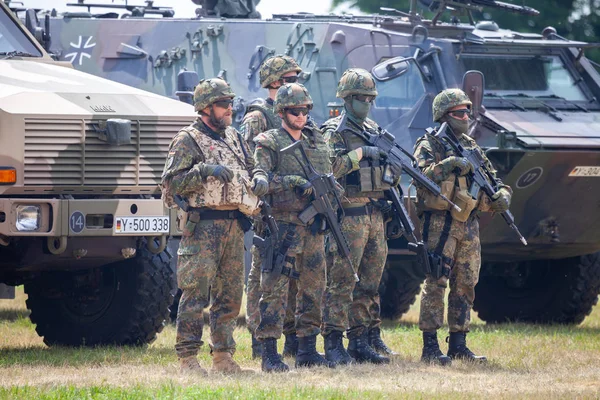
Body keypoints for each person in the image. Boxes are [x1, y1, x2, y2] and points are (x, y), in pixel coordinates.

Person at [161, 77, 269, 374]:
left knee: (231, 295)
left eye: (231, 104)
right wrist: (203, 171)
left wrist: (259, 176)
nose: (229, 109)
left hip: (234, 226)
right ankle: (188, 358)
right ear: (206, 108)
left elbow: (252, 164)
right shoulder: (187, 139)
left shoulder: (233, 137)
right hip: (203, 227)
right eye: (223, 104)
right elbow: (171, 186)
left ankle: (223, 357)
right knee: (195, 294)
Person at [413, 88, 512, 365]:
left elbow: (494, 179)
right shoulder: (429, 144)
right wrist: (449, 164)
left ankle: (458, 343)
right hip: (441, 223)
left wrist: (504, 195)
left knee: (466, 282)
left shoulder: (471, 145)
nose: (466, 117)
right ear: (445, 116)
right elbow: (420, 176)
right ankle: (430, 347)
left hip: (469, 223)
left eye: (468, 111)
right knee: (436, 281)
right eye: (460, 113)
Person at [320, 68, 400, 366]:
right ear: (347, 99)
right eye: (362, 98)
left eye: (371, 98)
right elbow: (328, 169)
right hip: (349, 215)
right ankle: (333, 342)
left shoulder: (373, 129)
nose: (367, 103)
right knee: (342, 281)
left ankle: (361, 338)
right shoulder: (334, 131)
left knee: (370, 281)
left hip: (375, 213)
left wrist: (389, 171)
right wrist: (359, 155)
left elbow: (390, 172)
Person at [253, 82, 333, 372]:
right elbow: (260, 178)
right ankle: (269, 353)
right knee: (274, 290)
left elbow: (329, 173)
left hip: (314, 227)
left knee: (314, 288)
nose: (301, 116)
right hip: (283, 228)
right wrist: (291, 182)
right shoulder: (269, 141)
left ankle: (307, 349)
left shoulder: (317, 140)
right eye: (295, 111)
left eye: (305, 110)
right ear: (282, 111)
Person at [241, 55, 302, 359]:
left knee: (293, 274)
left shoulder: (298, 111)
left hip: (295, 208)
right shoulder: (258, 116)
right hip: (268, 207)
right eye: (290, 79)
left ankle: (290, 333)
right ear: (275, 82)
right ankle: (258, 336)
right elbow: (249, 162)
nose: (296, 83)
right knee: (262, 275)